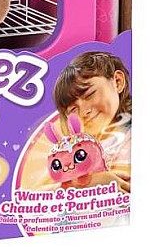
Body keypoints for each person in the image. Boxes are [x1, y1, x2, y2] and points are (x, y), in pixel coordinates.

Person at [52, 51, 131, 191]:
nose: (84, 112)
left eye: (90, 94)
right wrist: (91, 182)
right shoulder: (77, 148)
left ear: (117, 82)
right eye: (73, 109)